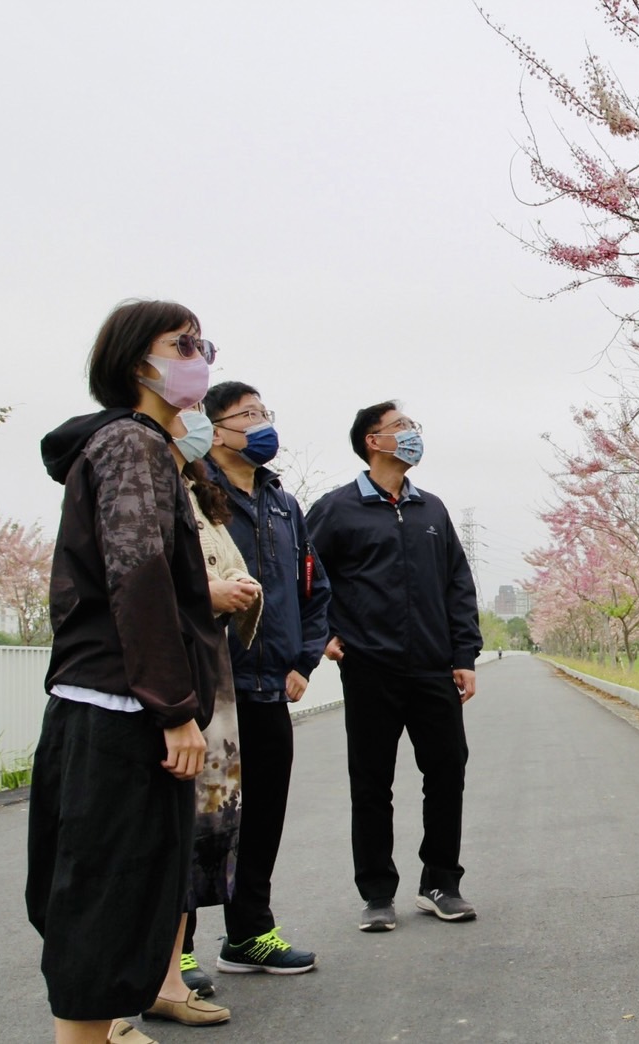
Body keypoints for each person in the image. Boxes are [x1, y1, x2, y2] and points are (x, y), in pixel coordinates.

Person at [28, 300, 224, 1044]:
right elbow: (139, 577)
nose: (198, 355)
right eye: (183, 343)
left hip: (113, 702)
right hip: (120, 709)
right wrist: (175, 708)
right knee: (104, 898)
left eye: (203, 342)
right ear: (136, 362)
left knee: (116, 894)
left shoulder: (135, 448)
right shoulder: (133, 447)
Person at [307, 402, 482, 933]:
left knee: (447, 773)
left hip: (432, 668)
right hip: (369, 668)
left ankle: (441, 883)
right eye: (401, 428)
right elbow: (307, 575)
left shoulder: (432, 510)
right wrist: (325, 634)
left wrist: (464, 655)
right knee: (372, 782)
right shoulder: (336, 509)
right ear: (372, 441)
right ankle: (378, 893)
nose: (411, 436)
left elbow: (457, 583)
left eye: (412, 427)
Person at [192, 380, 330, 977]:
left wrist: (303, 661)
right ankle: (179, 947)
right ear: (213, 428)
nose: (260, 424)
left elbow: (312, 588)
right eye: (246, 415)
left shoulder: (283, 503)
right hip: (212, 688)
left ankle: (249, 932)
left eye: (264, 412)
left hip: (272, 685)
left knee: (264, 813)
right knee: (202, 817)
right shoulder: (194, 494)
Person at [151, 407, 263, 1014]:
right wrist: (209, 592)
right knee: (157, 835)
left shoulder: (195, 488)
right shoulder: (136, 479)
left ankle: (168, 982)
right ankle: (129, 994)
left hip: (209, 674)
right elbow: (142, 583)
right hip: (170, 683)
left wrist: (235, 592)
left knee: (194, 835)